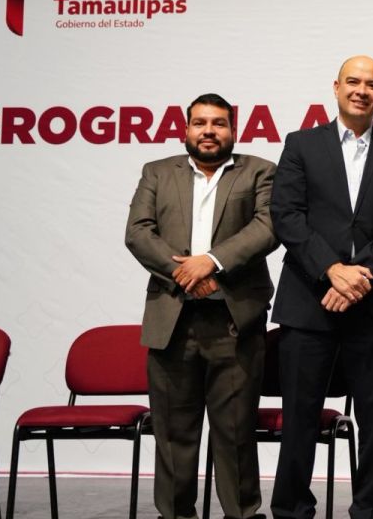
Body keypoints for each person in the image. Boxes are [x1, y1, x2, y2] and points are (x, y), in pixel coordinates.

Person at [269, 55, 373, 519]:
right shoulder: (301, 144)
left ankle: (372, 512)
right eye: (352, 82)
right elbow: (286, 215)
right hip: (308, 300)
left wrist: (358, 277)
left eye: (371, 84)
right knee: (300, 417)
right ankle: (292, 510)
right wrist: (332, 270)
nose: (361, 90)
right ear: (335, 87)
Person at [125, 93, 277, 519]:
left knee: (235, 431)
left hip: (234, 319)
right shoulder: (156, 172)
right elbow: (138, 232)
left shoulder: (260, 172)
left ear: (235, 129)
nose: (209, 131)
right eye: (200, 123)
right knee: (173, 431)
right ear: (185, 129)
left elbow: (267, 228)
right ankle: (175, 514)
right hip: (172, 319)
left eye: (219, 123)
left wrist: (210, 261)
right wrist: (185, 272)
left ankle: (243, 513)